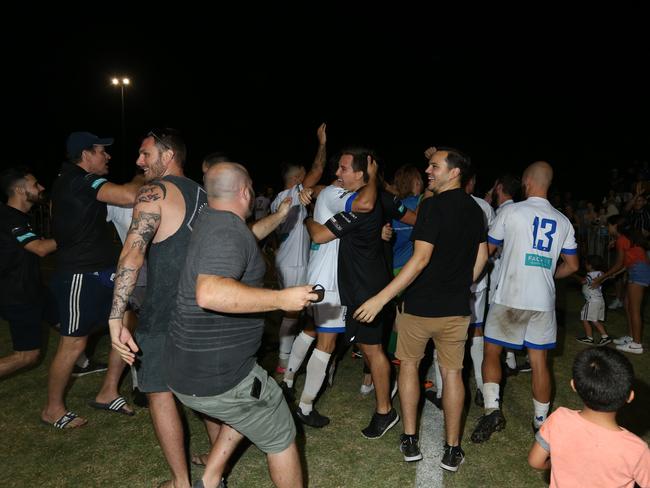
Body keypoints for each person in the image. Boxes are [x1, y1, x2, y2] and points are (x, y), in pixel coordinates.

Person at [164, 162, 317, 488]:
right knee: (280, 432)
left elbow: (245, 237)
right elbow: (209, 292)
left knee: (249, 401)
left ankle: (210, 477)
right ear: (246, 192)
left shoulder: (211, 219)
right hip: (218, 375)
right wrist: (281, 299)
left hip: (185, 370)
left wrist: (279, 217)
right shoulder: (227, 233)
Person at [353, 146, 488, 471]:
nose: (428, 171)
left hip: (419, 307)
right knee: (453, 373)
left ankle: (410, 437)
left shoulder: (431, 206)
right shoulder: (476, 209)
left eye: (434, 166)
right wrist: (459, 284)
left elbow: (420, 259)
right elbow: (482, 258)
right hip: (456, 307)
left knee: (410, 367)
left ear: (454, 172)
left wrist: (380, 298)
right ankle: (452, 449)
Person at [471, 161, 579, 444]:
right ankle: (540, 421)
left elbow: (487, 251)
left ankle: (492, 409)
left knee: (492, 351)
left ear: (527, 181)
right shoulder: (563, 220)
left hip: (510, 296)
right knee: (539, 361)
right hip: (542, 300)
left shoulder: (513, 212)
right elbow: (573, 265)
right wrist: (547, 274)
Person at [305, 148, 407, 439]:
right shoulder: (360, 204)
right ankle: (385, 392)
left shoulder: (361, 207)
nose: (338, 174)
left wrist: (305, 218)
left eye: (344, 169)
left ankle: (385, 410)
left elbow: (319, 234)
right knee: (369, 349)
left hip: (367, 293)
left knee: (373, 351)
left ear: (362, 174)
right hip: (362, 289)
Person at [42, 131, 140, 430]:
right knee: (74, 342)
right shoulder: (77, 179)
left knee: (125, 323)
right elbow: (128, 195)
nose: (107, 156)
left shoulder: (79, 181)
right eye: (101, 150)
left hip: (103, 268)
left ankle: (108, 391)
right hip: (79, 273)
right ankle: (52, 409)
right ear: (86, 154)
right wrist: (141, 178)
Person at [528, 347, 650, 487]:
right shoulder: (636, 450)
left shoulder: (559, 419)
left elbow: (535, 461)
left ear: (574, 385)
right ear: (629, 397)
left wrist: (554, 463)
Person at [271, 123, 326, 373]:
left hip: (287, 259)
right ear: (296, 180)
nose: (308, 182)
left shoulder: (283, 200)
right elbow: (317, 169)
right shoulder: (289, 195)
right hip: (292, 262)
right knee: (292, 312)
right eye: (303, 178)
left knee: (295, 310)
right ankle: (284, 362)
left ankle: (288, 356)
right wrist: (322, 144)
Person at [0, 168, 58, 377]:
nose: (41, 187)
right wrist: (77, 234)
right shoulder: (10, 219)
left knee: (71, 325)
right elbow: (40, 249)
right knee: (27, 356)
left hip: (34, 289)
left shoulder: (20, 217)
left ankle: (81, 361)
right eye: (35, 184)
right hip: (19, 295)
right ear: (19, 190)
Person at [591, 214, 649, 354]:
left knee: (634, 309)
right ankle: (631, 337)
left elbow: (618, 264)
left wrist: (601, 278)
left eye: (609, 225)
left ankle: (636, 345)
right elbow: (628, 261)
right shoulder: (626, 238)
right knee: (628, 305)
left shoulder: (622, 240)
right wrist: (614, 274)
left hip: (638, 272)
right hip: (636, 270)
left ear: (615, 226)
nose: (607, 228)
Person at [575, 254, 611, 346]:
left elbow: (583, 281)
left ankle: (590, 338)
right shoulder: (600, 273)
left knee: (585, 317)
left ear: (590, 265)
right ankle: (604, 336)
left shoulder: (590, 275)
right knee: (594, 320)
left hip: (592, 301)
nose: (585, 265)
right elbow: (608, 277)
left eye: (586, 264)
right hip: (599, 300)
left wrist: (573, 275)